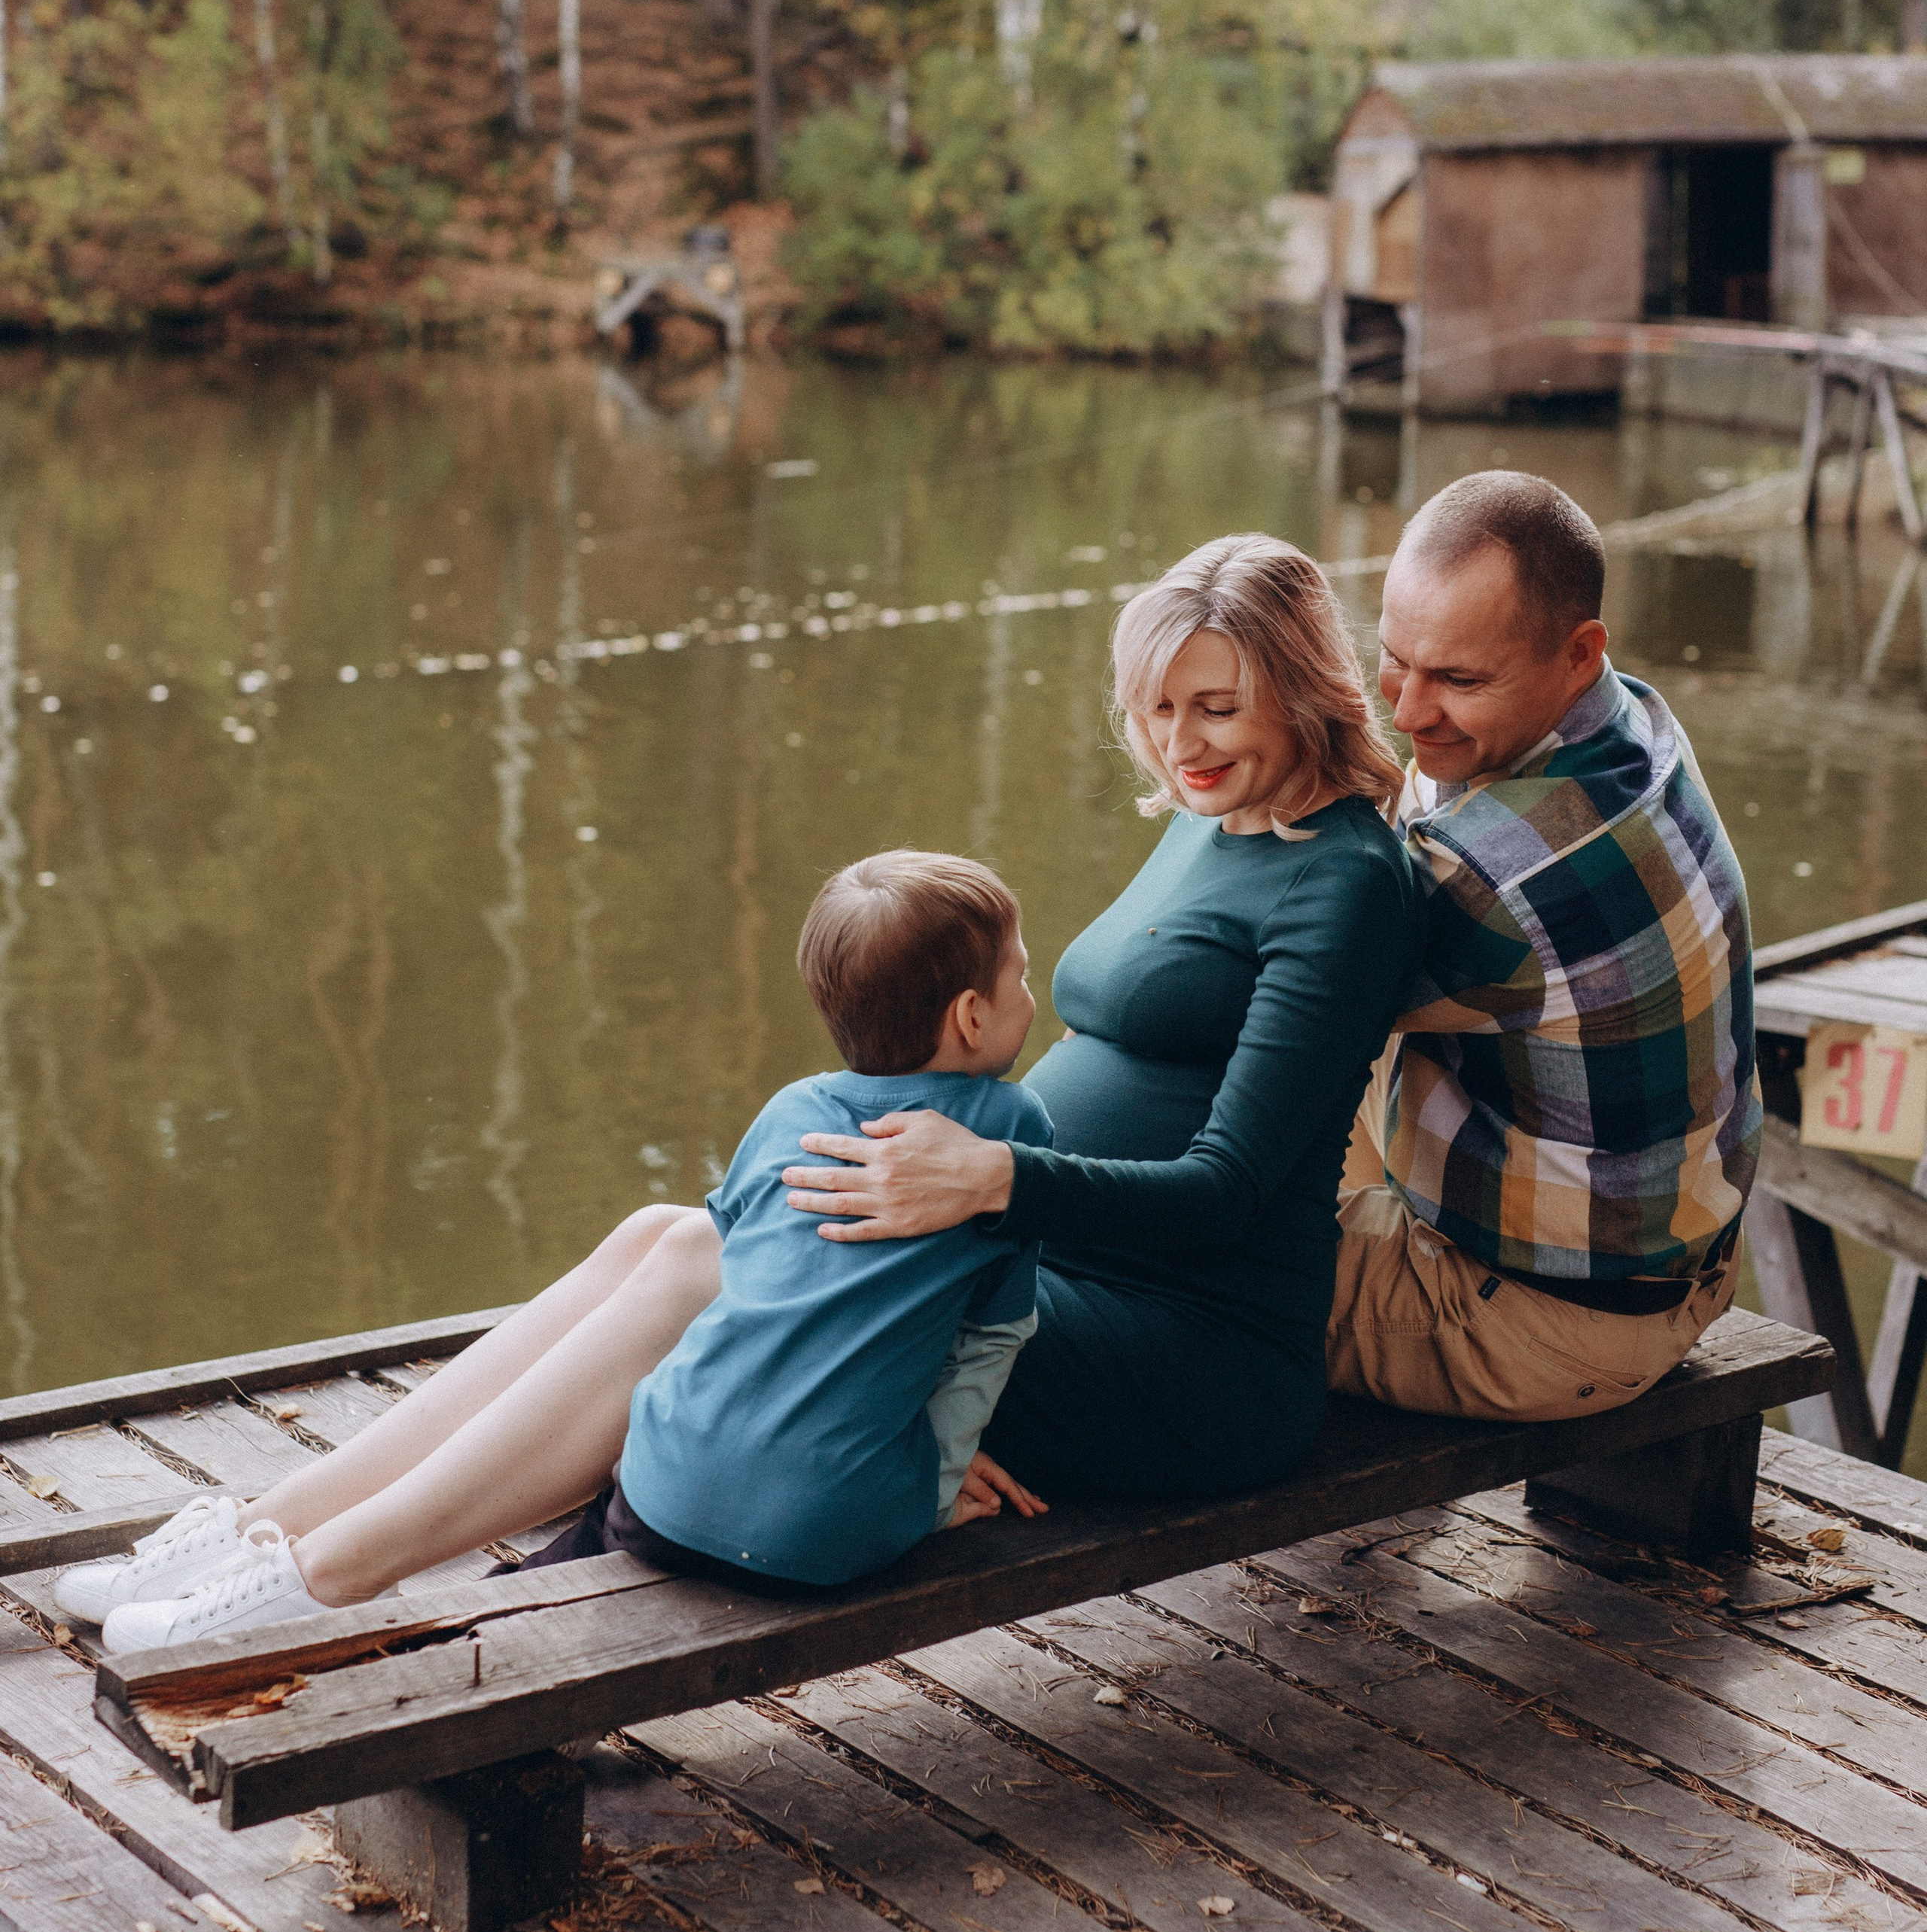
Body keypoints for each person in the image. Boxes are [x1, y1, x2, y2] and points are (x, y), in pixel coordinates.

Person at [66, 851, 1052, 1651]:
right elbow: (989, 1335)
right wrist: (920, 1472)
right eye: (1020, 971)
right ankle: (271, 1534)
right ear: (971, 1015)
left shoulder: (794, 1109)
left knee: (688, 1241)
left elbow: (762, 1277)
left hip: (689, 1492)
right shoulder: (1018, 1122)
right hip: (836, 1518)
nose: (1031, 984)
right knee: (656, 1237)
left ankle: (309, 1563)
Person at [778, 533, 1429, 1503]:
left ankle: (525, 1576)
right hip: (1038, 1273)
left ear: (1301, 692)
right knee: (670, 1246)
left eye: (1217, 708)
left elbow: (1224, 1192)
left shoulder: (1345, 882)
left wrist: (988, 1176)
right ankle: (485, 1549)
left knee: (718, 1280)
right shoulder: (1204, 818)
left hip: (1186, 1352)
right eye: (1158, 708)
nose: (1181, 745)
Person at [1326, 469, 1758, 1421]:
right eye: (1394, 660)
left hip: (1553, 1324)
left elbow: (1234, 996)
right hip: (1676, 1250)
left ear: (1576, 651)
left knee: (1132, 1269)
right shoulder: (1626, 718)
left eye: (1458, 680)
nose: (1405, 713)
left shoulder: (1493, 877)